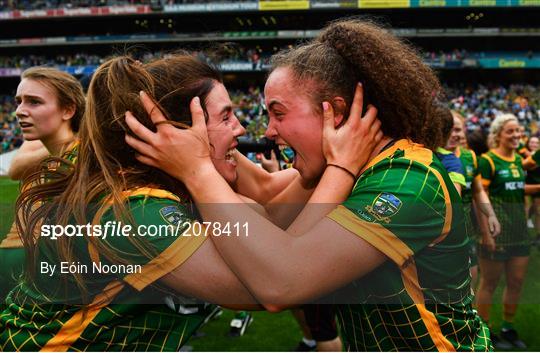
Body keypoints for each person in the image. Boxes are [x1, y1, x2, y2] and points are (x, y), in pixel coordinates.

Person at [126, 19, 492, 351]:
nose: (267, 131)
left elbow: (282, 282)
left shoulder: (408, 179)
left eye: (279, 113)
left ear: (335, 110)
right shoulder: (351, 172)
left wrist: (198, 172)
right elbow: (271, 217)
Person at [1, 55, 266, 351]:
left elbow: (265, 204)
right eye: (226, 117)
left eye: (34, 101)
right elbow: (272, 286)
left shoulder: (121, 180)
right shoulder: (128, 205)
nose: (20, 111)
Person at [0, 67, 85, 303]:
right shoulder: (51, 156)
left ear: (68, 110)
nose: (19, 111)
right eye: (18, 102)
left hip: (41, 284)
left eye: (34, 102)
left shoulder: (81, 159)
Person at [476, 114, 539, 349]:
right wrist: (486, 231)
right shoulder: (488, 161)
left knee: (516, 281)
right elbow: (478, 196)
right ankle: (482, 330)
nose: (516, 135)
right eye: (510, 131)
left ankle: (508, 328)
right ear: (498, 134)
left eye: (518, 131)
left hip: (520, 233)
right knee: (489, 283)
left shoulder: (517, 162)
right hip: (497, 232)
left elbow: (522, 182)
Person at [445, 110, 500, 287]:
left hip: (466, 233)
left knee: (470, 285)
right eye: (449, 129)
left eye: (458, 130)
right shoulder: (429, 157)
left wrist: (490, 214)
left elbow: (478, 191)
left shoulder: (470, 157)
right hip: (438, 234)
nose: (454, 134)